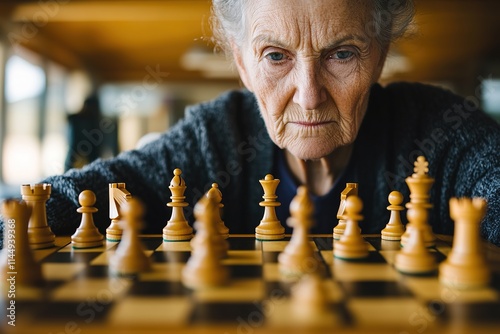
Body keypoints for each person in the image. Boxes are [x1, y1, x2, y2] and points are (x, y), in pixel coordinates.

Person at [2, 0, 500, 246]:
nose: (309, 94)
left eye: (342, 53)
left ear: (380, 55)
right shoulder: (217, 139)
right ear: (242, 64)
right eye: (277, 55)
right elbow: (69, 198)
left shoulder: (440, 132)